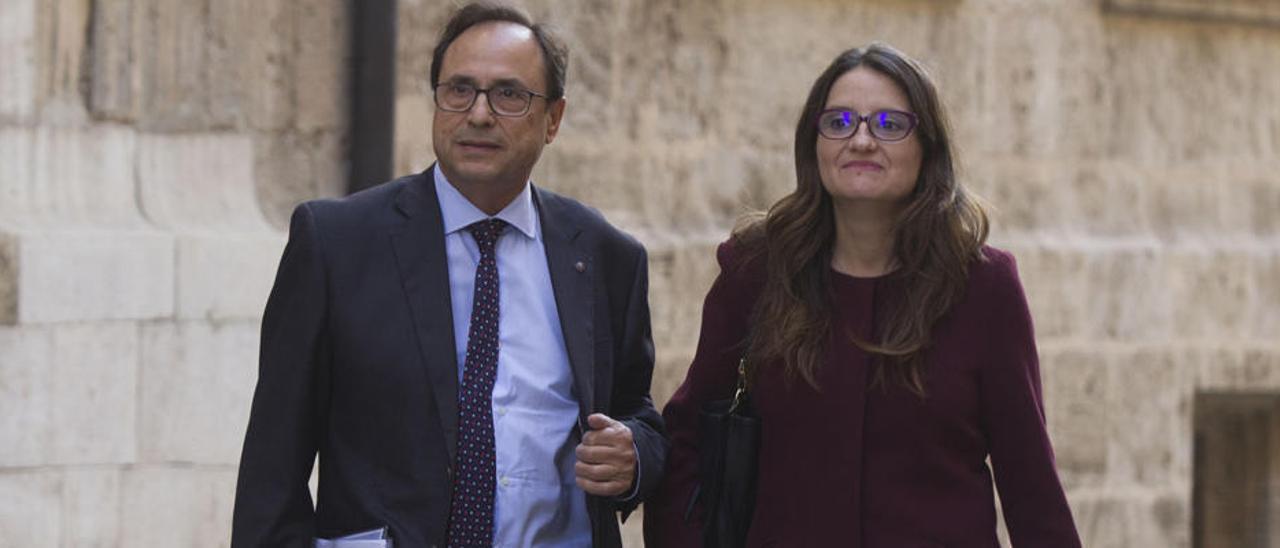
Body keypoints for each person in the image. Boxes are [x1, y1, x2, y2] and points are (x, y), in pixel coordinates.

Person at [231, 3, 666, 547]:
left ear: (553, 119)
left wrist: (634, 458)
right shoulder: (338, 243)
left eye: (508, 95)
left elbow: (637, 414)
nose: (478, 114)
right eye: (459, 89)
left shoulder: (605, 256)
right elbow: (273, 467)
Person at [643, 43, 1082, 547]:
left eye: (890, 124)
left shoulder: (983, 287)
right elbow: (687, 445)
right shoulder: (756, 272)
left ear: (928, 147)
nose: (862, 140)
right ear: (815, 142)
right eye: (840, 121)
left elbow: (1031, 486)